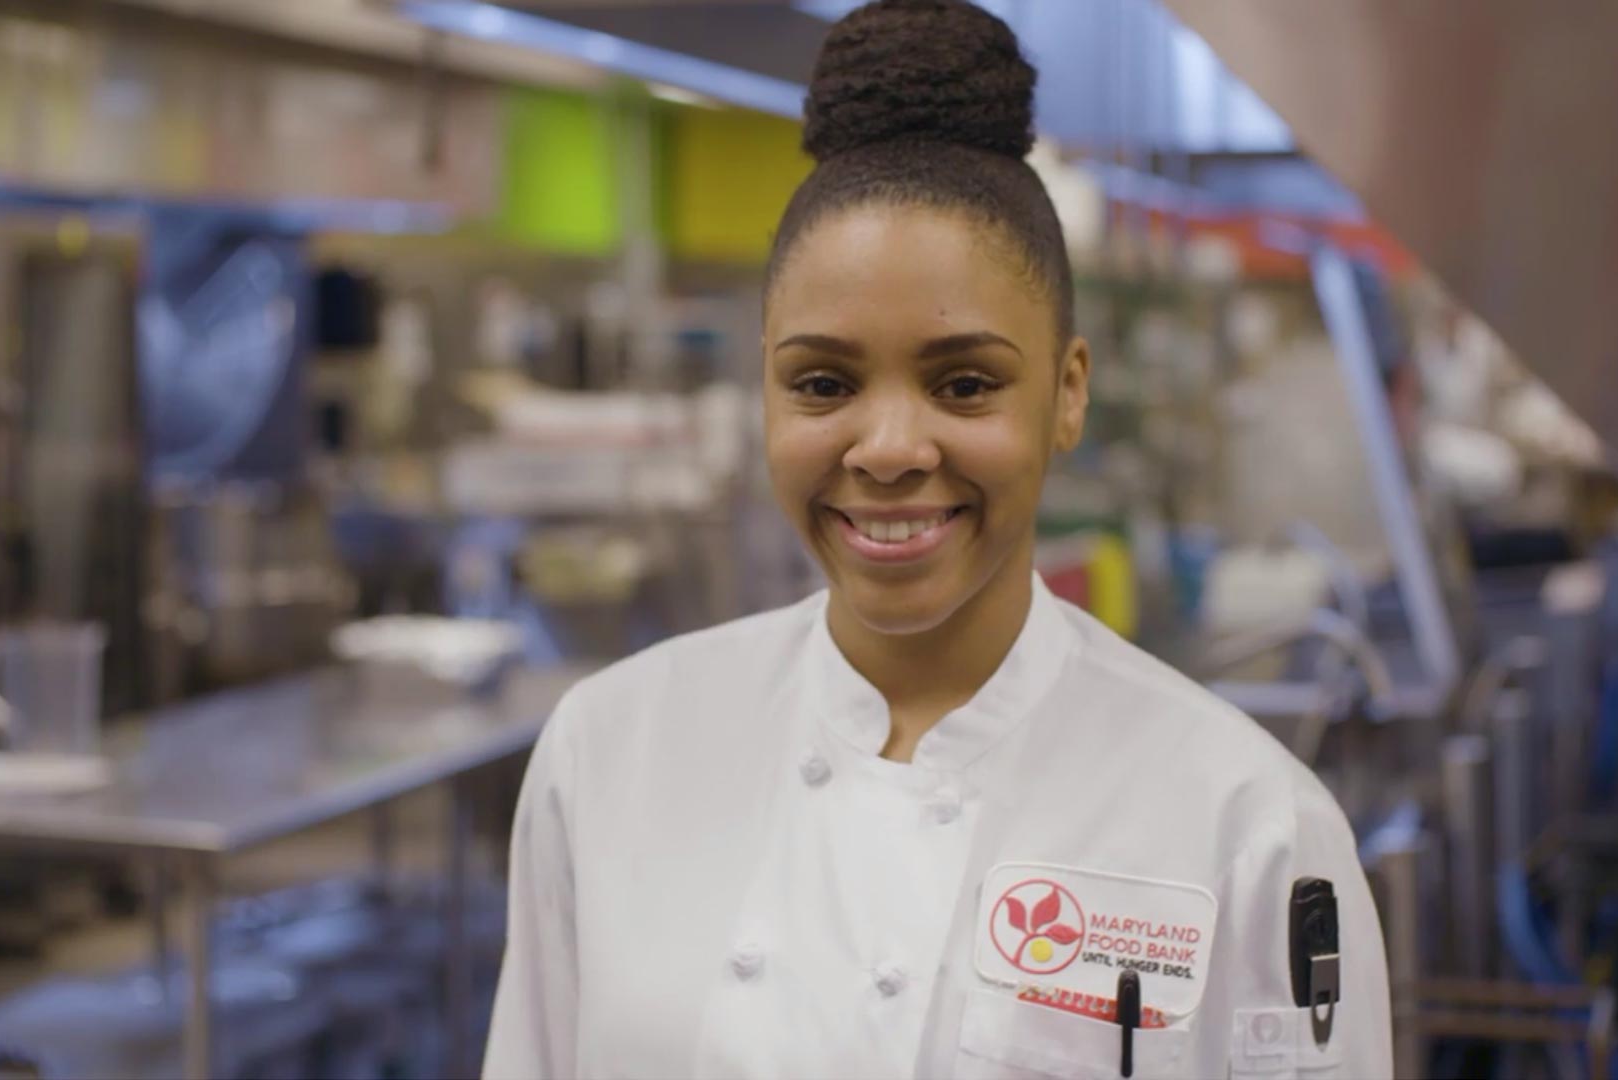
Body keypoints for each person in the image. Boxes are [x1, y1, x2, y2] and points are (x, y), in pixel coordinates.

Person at [482, 1, 1391, 1076]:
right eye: (823, 384)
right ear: (764, 385)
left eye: (964, 384)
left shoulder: (1249, 826)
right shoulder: (611, 754)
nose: (888, 449)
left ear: (1067, 392)